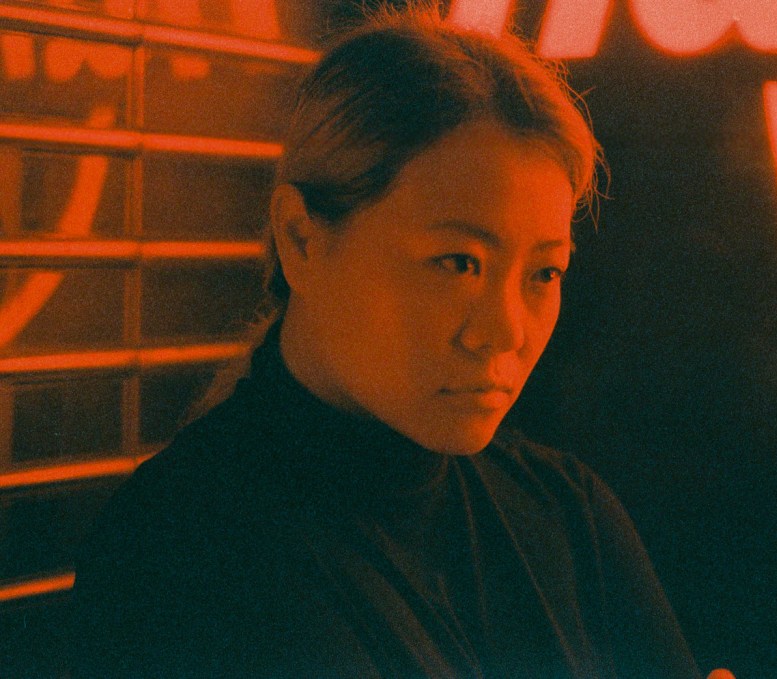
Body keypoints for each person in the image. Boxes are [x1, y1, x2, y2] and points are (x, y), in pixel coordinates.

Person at [69, 4, 703, 677]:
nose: (505, 331)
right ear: (301, 239)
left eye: (543, 273)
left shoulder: (568, 515)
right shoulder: (175, 555)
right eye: (458, 263)